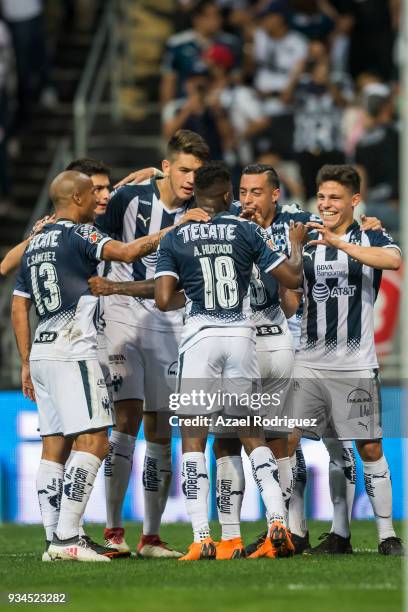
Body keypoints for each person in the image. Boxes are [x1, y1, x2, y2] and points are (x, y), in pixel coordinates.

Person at [11, 170, 207, 561]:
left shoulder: (33, 244)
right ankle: (68, 538)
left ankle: (55, 539)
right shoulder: (80, 234)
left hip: (44, 350)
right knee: (96, 440)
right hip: (74, 349)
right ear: (79, 198)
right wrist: (174, 228)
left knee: (53, 446)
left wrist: (25, 360)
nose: (100, 201)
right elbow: (129, 253)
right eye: (93, 193)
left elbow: (19, 304)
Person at [154, 161, 305, 560]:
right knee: (252, 433)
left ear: (195, 194)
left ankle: (203, 537)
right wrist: (295, 245)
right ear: (226, 195)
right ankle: (277, 522)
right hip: (241, 337)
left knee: (193, 438)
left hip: (200, 338)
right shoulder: (245, 229)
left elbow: (164, 299)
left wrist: (194, 289)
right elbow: (290, 278)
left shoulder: (176, 236)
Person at [96, 130, 211, 558]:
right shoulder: (131, 200)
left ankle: (150, 536)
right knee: (125, 418)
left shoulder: (201, 213)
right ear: (166, 166)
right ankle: (112, 531)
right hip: (122, 314)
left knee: (160, 429)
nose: (189, 179)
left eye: (197, 173)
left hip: (169, 322)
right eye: (183, 169)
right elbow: (98, 237)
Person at [287, 164, 403, 556]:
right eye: (321, 197)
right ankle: (310, 532)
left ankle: (387, 535)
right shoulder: (306, 233)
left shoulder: (370, 233)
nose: (326, 204)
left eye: (335, 198)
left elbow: (392, 261)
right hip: (309, 361)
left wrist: (341, 244)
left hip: (354, 364)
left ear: (354, 200)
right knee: (289, 442)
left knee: (369, 448)